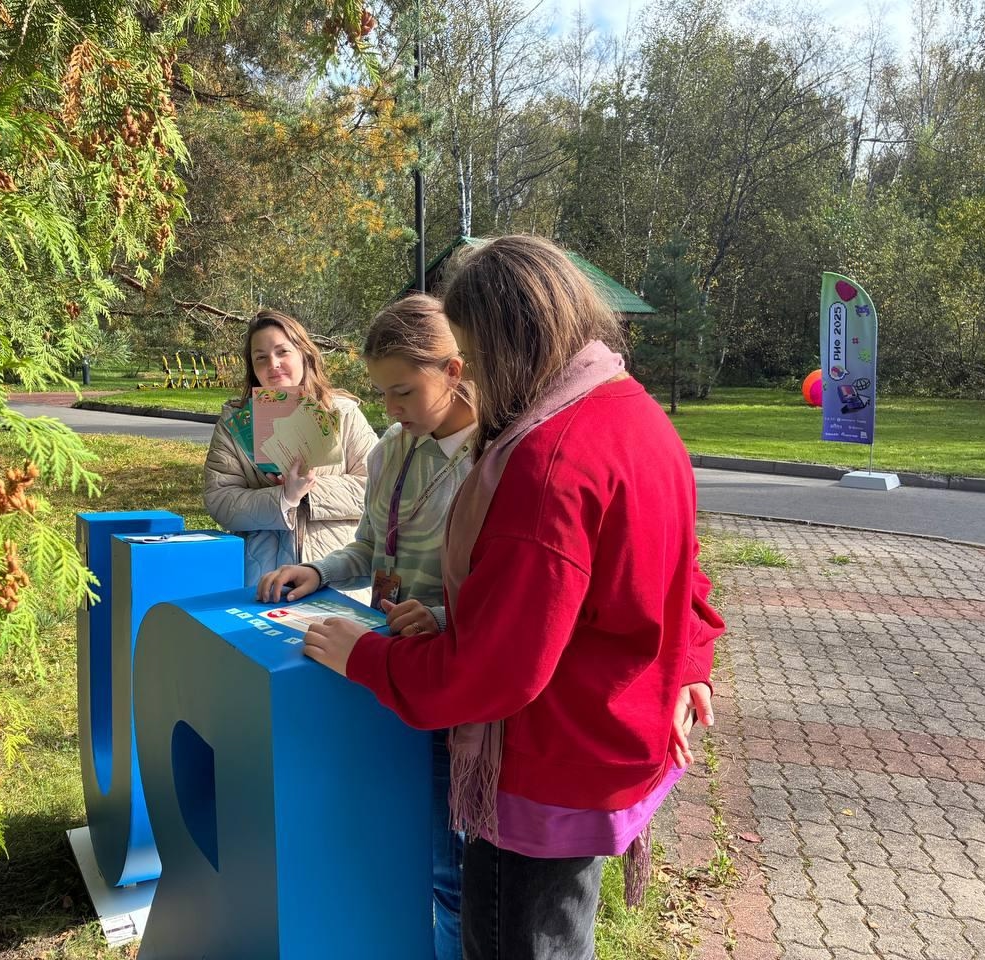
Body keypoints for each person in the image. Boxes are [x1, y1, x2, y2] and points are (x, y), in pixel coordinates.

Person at [303, 236, 726, 960]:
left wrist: (364, 658)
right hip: (602, 749)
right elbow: (675, 571)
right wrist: (690, 663)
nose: (469, 376)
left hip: (542, 778)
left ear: (504, 346)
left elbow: (494, 670)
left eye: (470, 353)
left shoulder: (547, 461)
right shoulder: (635, 412)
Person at [257, 294, 475, 960]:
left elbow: (506, 593)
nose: (391, 408)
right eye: (381, 392)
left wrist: (439, 616)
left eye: (403, 391)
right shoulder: (389, 451)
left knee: (449, 866)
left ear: (454, 371)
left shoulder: (489, 461)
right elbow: (370, 546)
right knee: (392, 838)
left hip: (448, 679)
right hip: (383, 666)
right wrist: (318, 571)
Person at [203, 310, 378, 588]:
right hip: (262, 576)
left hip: (332, 572)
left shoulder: (342, 414)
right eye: (261, 357)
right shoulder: (234, 422)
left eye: (282, 352)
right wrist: (283, 497)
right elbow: (220, 500)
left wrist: (309, 490)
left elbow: (377, 489)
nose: (273, 364)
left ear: (304, 354)